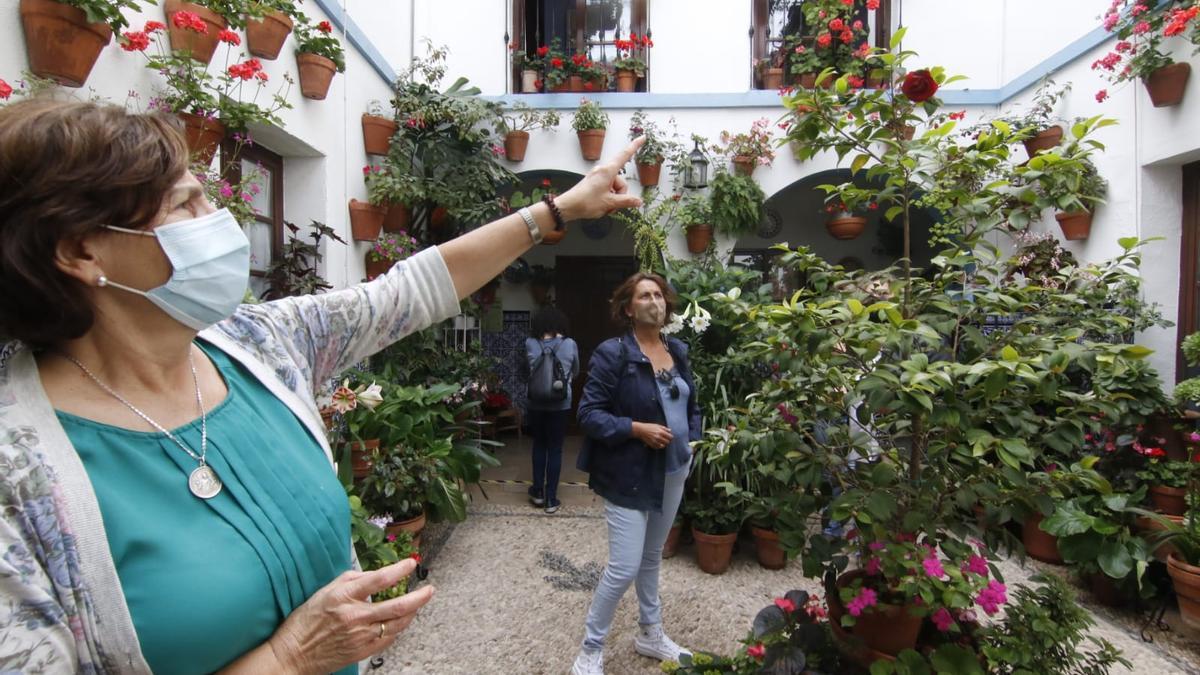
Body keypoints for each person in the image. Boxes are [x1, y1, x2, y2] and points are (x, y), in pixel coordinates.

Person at [0, 99, 643, 673]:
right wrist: (290, 658)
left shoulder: (254, 344)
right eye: (185, 204)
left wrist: (557, 210)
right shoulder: (17, 476)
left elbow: (403, 293)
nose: (216, 216)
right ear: (81, 253)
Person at [571, 272, 700, 675]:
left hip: (674, 470)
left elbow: (691, 406)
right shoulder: (614, 354)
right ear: (628, 308)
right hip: (628, 473)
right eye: (645, 296)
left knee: (650, 559)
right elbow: (588, 415)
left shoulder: (677, 350)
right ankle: (591, 648)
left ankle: (650, 632)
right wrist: (635, 428)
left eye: (659, 295)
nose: (655, 302)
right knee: (624, 566)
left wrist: (693, 440)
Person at [523, 306, 579, 514]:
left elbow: (525, 369)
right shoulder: (569, 344)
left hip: (535, 402)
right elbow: (575, 370)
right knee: (555, 448)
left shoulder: (530, 343)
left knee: (539, 445)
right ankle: (551, 499)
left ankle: (537, 492)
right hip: (560, 404)